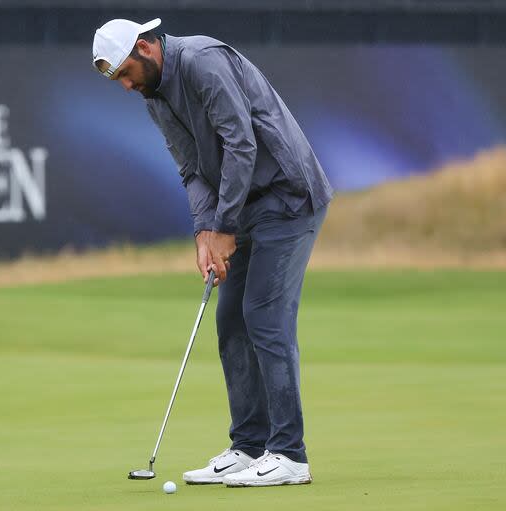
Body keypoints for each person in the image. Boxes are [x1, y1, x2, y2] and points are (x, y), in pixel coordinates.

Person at [92, 17, 333, 488]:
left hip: (287, 195)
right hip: (243, 205)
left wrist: (224, 226)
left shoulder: (202, 62)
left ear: (145, 47)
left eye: (124, 73)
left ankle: (289, 454)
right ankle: (248, 446)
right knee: (231, 321)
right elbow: (192, 170)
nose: (124, 86)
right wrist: (206, 232)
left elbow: (240, 143)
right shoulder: (155, 97)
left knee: (263, 315)